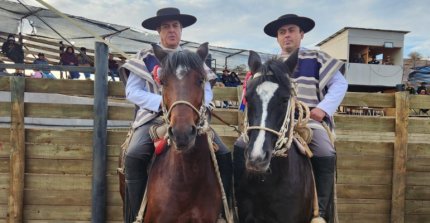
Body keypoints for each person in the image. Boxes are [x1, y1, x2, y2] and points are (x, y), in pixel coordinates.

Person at [119, 7, 232, 222]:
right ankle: (136, 215)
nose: (171, 30)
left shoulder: (193, 58)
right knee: (133, 155)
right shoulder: (144, 57)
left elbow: (206, 91)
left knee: (224, 154)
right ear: (158, 31)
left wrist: (194, 108)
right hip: (152, 119)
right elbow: (132, 91)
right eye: (166, 27)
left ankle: (224, 213)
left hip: (191, 117)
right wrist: (164, 106)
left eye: (175, 26)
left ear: (181, 29)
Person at [234, 14, 348, 222]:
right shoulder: (270, 65)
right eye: (282, 32)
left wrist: (323, 109)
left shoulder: (316, 57)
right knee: (240, 145)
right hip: (272, 122)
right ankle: (237, 204)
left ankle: (320, 212)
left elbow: (340, 84)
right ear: (277, 38)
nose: (287, 35)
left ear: (301, 34)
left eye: (291, 31)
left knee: (324, 149)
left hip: (307, 120)